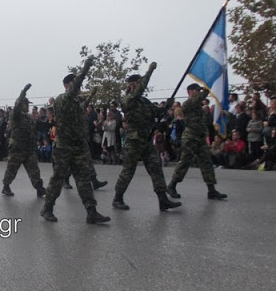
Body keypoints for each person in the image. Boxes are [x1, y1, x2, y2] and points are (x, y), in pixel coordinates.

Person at [41, 56, 110, 224]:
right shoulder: (62, 99)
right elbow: (75, 88)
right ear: (67, 85)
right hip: (64, 147)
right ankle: (47, 209)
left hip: (78, 147)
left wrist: (92, 94)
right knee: (58, 179)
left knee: (83, 178)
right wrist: (85, 68)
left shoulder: (76, 102)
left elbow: (82, 103)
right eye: (74, 83)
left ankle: (91, 212)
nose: (77, 87)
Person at [111, 63, 181, 211]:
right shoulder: (128, 100)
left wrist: (166, 106)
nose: (140, 86)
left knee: (156, 168)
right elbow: (140, 89)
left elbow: (156, 112)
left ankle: (163, 200)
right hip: (134, 141)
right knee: (128, 171)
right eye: (137, 83)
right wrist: (149, 71)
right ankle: (117, 198)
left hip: (146, 140)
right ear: (131, 85)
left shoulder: (144, 101)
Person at [167, 83, 227, 200]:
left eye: (199, 91)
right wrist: (208, 86)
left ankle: (211, 190)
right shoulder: (188, 103)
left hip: (199, 137)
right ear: (190, 92)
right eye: (196, 90)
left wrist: (206, 136)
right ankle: (172, 186)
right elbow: (200, 98)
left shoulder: (198, 106)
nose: (199, 93)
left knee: (206, 162)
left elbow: (202, 123)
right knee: (185, 162)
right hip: (190, 138)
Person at [1, 83, 47, 197]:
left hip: (29, 148)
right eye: (26, 104)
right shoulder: (15, 115)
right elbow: (16, 105)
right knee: (12, 168)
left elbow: (32, 131)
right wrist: (23, 92)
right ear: (21, 105)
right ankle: (6, 186)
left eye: (28, 104)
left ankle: (38, 187)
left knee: (34, 169)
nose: (27, 106)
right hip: (17, 147)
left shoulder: (28, 117)